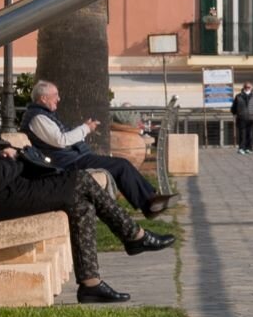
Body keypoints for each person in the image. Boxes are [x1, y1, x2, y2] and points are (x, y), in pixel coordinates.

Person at [0, 73, 175, 303]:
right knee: (80, 181)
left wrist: (2, 153)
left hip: (3, 195)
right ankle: (134, 236)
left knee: (79, 200)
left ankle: (91, 284)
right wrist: (11, 158)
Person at [20, 79, 174, 216]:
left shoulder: (42, 115)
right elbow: (61, 140)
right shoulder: (38, 118)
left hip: (73, 158)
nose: (58, 99)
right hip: (68, 163)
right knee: (121, 165)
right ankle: (149, 203)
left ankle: (151, 200)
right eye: (55, 95)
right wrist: (85, 128)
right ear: (43, 98)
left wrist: (85, 128)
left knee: (121, 165)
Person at [231, 81, 253, 154]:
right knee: (242, 134)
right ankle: (241, 148)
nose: (247, 88)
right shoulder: (238, 96)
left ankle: (249, 148)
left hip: (252, 118)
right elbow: (234, 107)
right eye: (245, 87)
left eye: (248, 87)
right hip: (241, 118)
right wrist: (234, 114)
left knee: (250, 134)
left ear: (251, 87)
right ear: (243, 87)